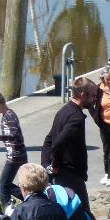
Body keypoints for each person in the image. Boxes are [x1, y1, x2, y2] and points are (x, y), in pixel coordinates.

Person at [43, 76, 97, 212]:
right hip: (70, 175)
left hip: (61, 174)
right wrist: (54, 165)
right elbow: (58, 143)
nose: (95, 99)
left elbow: (48, 140)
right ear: (83, 95)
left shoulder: (64, 110)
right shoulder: (76, 117)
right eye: (93, 96)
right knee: (84, 216)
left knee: (65, 213)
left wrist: (46, 165)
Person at [0, 91, 27, 207]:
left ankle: (8, 213)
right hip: (15, 155)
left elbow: (14, 135)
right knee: (6, 185)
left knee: (2, 186)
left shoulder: (10, 116)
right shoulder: (7, 115)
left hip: (15, 156)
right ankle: (30, 198)